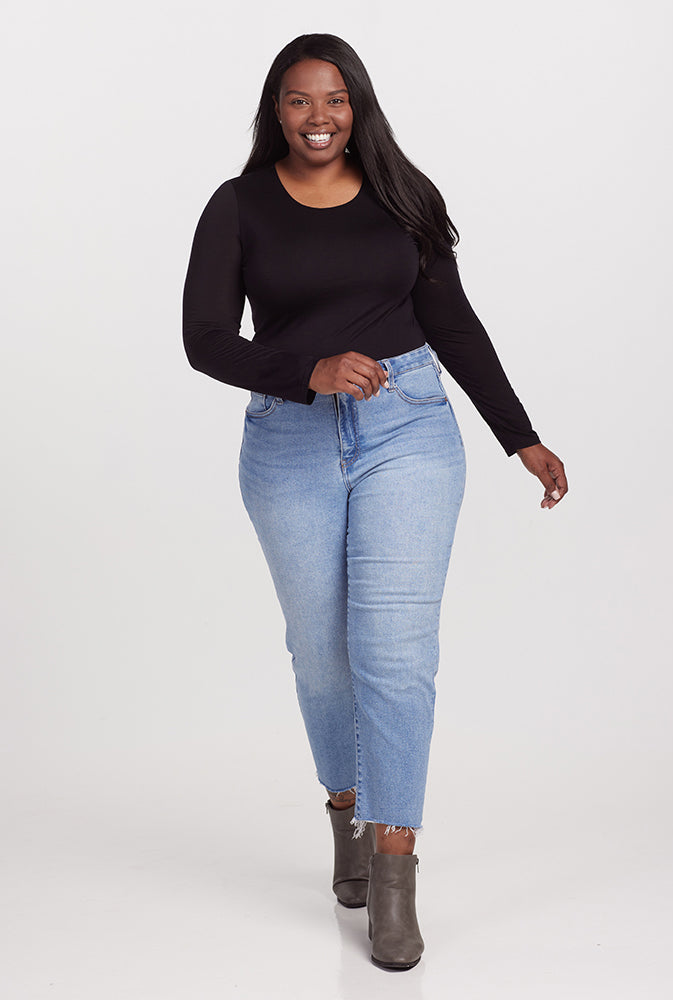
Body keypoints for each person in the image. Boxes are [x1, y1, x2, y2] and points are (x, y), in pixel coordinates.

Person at [182, 32, 568, 971]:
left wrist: (521, 435)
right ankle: (346, 815)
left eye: (336, 101)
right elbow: (203, 341)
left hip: (409, 429)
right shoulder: (238, 208)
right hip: (289, 439)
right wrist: (306, 369)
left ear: (359, 106)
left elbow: (453, 323)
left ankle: (394, 866)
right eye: (299, 101)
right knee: (323, 657)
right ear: (275, 110)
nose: (319, 118)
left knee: (396, 654)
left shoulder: (406, 198)